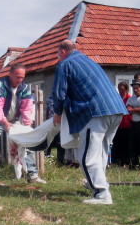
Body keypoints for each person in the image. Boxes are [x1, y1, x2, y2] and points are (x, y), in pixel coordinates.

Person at [52, 40, 127, 204]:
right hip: (116, 109)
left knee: (87, 155)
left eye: (58, 54)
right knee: (101, 151)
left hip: (95, 112)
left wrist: (57, 113)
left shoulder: (65, 64)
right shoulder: (89, 61)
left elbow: (59, 92)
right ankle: (94, 182)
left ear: (62, 52)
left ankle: (102, 194)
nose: (58, 58)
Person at [0, 63, 45, 186]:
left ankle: (33, 175)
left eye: (22, 77)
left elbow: (27, 108)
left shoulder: (24, 88)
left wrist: (27, 124)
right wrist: (4, 122)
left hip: (14, 120)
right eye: (17, 77)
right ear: (10, 74)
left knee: (27, 142)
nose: (20, 79)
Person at [111, 82, 132, 166]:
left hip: (127, 124)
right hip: (117, 124)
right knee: (117, 144)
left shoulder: (130, 99)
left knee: (126, 144)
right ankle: (116, 161)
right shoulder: (116, 98)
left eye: (122, 89)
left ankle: (126, 161)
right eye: (119, 89)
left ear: (126, 89)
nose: (120, 91)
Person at [44, 93, 65, 164]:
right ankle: (47, 155)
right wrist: (46, 120)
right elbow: (47, 110)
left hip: (60, 122)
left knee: (60, 141)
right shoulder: (49, 98)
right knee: (49, 139)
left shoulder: (62, 98)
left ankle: (60, 159)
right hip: (50, 121)